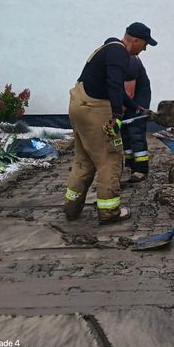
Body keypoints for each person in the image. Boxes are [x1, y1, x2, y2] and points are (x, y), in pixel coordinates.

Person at [64, 22, 157, 225]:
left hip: (79, 106)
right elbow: (114, 84)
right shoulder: (119, 53)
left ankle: (71, 207)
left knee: (84, 160)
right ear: (136, 40)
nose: (145, 48)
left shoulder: (107, 49)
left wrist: (136, 107)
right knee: (111, 159)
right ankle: (109, 212)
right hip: (94, 110)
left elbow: (114, 88)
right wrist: (116, 116)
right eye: (145, 44)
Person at [122, 55, 152, 183]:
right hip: (128, 104)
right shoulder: (121, 61)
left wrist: (119, 111)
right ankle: (130, 165)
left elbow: (129, 93)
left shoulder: (131, 61)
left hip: (137, 105)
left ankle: (141, 169)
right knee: (125, 136)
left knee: (136, 135)